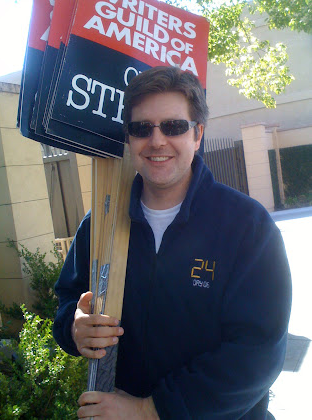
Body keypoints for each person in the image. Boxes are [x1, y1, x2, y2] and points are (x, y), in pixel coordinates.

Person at [53, 66, 292, 419]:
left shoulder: (247, 227)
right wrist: (74, 328)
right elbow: (68, 301)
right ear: (129, 139)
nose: (157, 140)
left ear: (197, 134)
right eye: (141, 128)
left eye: (173, 126)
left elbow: (257, 351)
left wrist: (150, 411)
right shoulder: (99, 225)